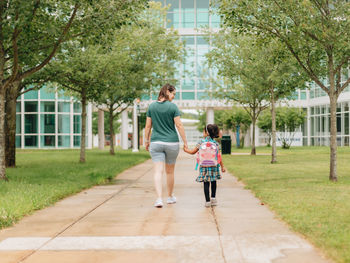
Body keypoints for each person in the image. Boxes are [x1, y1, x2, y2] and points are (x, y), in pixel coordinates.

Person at [144, 83, 188, 208]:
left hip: (156, 142)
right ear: (167, 92)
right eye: (173, 94)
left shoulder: (152, 107)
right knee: (170, 172)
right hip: (172, 143)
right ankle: (169, 197)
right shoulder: (173, 107)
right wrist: (185, 142)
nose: (174, 97)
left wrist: (146, 141)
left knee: (158, 171)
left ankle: (158, 199)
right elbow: (179, 125)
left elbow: (148, 126)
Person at [184, 124, 226, 207]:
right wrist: (222, 167)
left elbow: (193, 152)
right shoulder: (216, 144)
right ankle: (213, 198)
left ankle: (207, 201)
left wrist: (185, 150)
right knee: (213, 181)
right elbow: (219, 157)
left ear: (206, 133)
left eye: (203, 131)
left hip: (204, 166)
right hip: (214, 166)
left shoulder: (201, 142)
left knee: (206, 183)